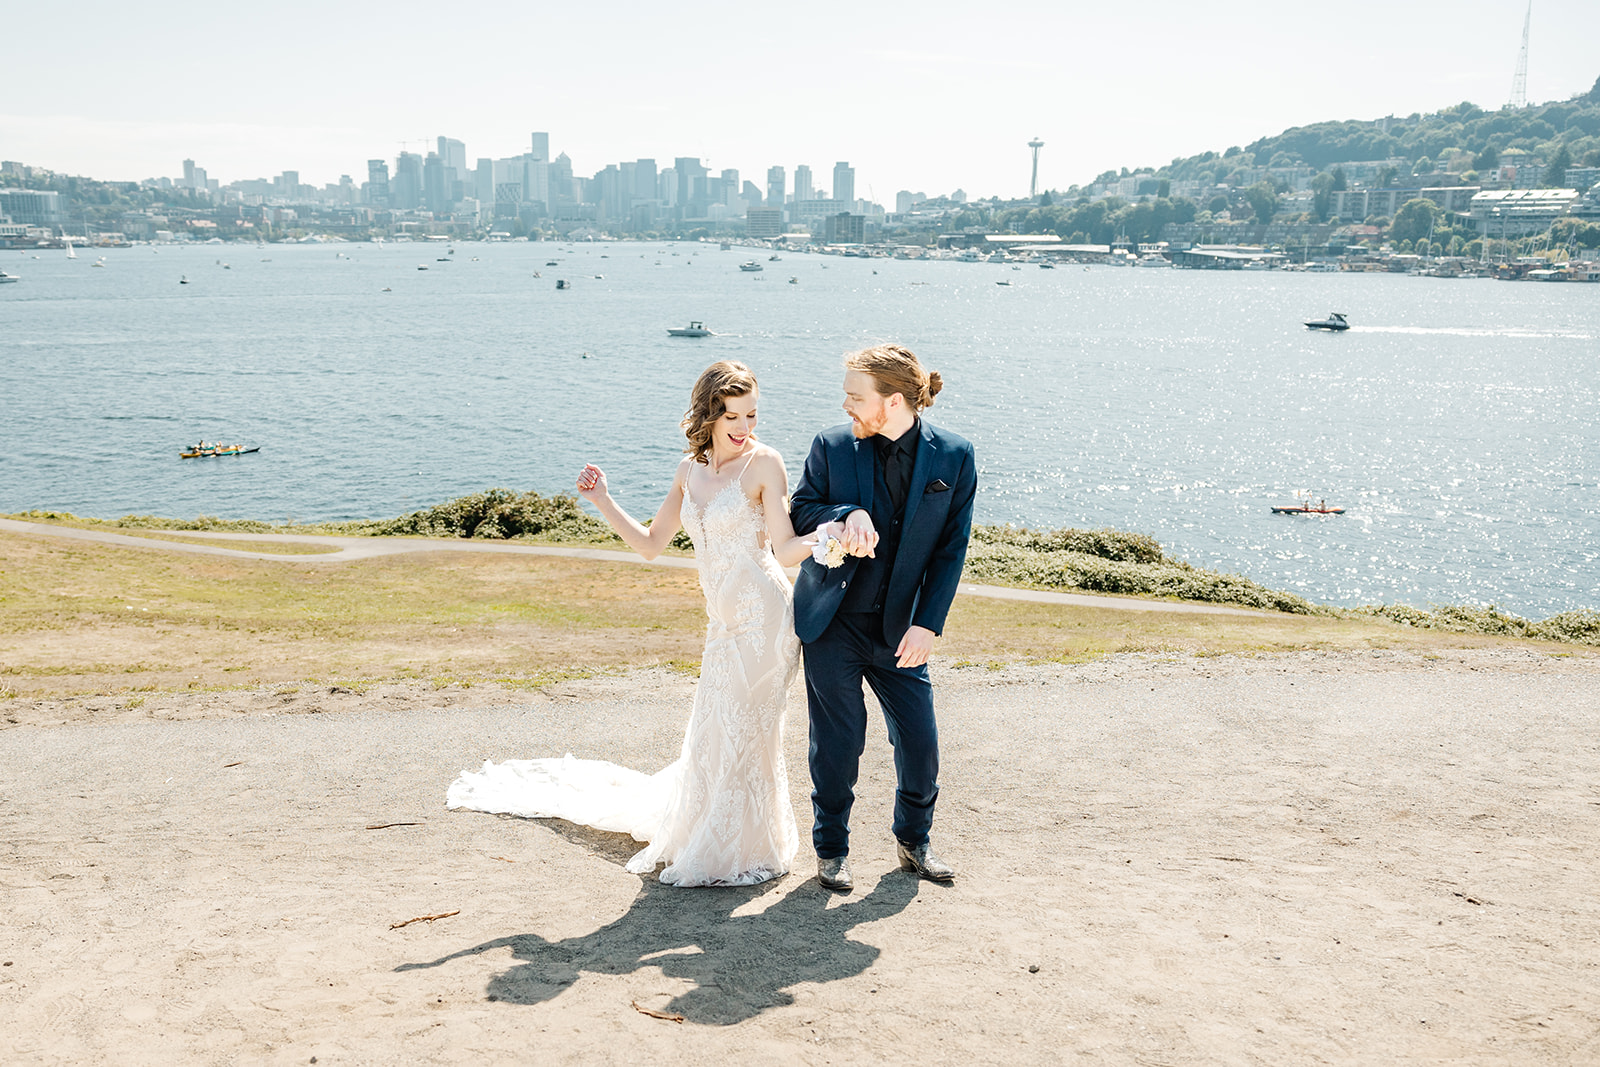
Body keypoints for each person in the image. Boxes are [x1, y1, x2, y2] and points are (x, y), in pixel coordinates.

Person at [447, 361, 830, 887]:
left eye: (751, 414)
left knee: (745, 730)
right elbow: (652, 545)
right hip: (721, 626)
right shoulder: (688, 471)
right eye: (732, 415)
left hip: (764, 622)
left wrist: (828, 537)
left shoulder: (764, 465)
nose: (744, 426)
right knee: (713, 734)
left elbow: (784, 550)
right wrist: (603, 499)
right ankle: (720, 836)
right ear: (709, 414)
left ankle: (745, 848)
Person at [789, 344, 976, 892]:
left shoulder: (955, 456)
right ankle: (832, 851)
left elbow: (951, 549)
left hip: (903, 630)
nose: (845, 405)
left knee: (920, 742)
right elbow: (801, 507)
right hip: (833, 621)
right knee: (839, 744)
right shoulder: (830, 446)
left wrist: (929, 623)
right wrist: (847, 512)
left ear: (892, 401)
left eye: (855, 396)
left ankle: (914, 841)